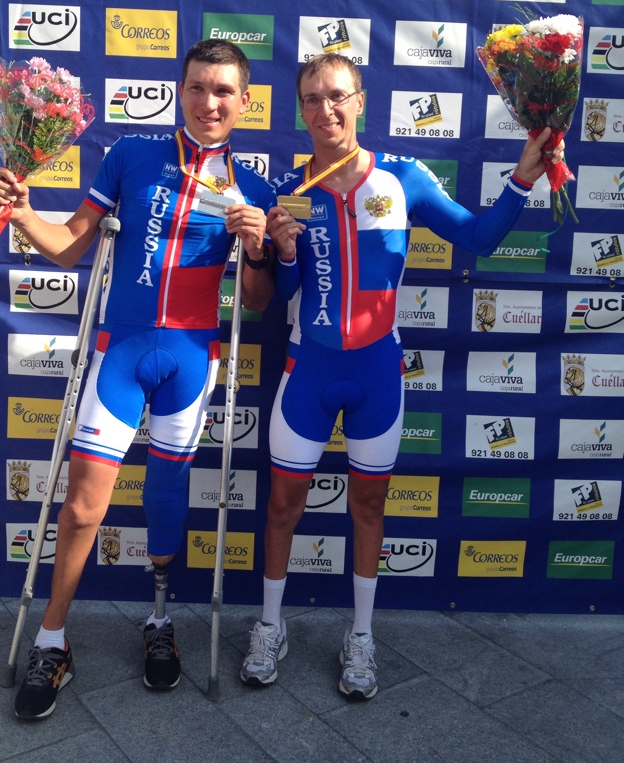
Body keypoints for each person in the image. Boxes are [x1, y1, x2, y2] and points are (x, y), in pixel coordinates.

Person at [240, 53, 564, 700]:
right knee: (281, 506)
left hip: (377, 372)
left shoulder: (403, 177)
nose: (326, 109)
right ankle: (269, 624)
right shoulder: (286, 190)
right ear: (299, 109)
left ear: (359, 101)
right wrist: (281, 251)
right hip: (309, 368)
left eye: (337, 95)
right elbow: (281, 295)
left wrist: (523, 179)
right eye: (312, 98)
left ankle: (361, 635)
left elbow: (478, 238)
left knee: (369, 506)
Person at [0, 40, 276, 719]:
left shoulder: (255, 189)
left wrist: (258, 246)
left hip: (192, 361)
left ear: (244, 101)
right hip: (120, 351)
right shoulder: (131, 156)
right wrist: (21, 211)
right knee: (82, 507)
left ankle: (159, 620)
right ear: (181, 90)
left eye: (224, 91)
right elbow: (70, 245)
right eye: (198, 87)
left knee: (166, 496)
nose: (209, 102)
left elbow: (258, 301)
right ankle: (52, 640)